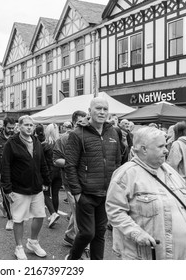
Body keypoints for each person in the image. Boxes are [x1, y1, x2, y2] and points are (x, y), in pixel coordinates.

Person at [106, 126, 186, 259]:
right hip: (150, 255)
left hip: (185, 255)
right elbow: (115, 211)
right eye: (161, 146)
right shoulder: (126, 174)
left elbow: (185, 196)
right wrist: (137, 233)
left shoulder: (169, 170)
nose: (166, 150)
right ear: (144, 149)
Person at [64, 97, 121, 260]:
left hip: (105, 193)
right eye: (98, 108)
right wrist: (77, 193)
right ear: (90, 111)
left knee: (100, 233)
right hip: (86, 194)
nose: (102, 112)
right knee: (88, 233)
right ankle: (73, 258)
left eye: (105, 109)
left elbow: (117, 161)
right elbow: (70, 165)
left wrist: (114, 188)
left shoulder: (113, 132)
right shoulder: (77, 134)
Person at [0, 115, 50, 260]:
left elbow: (42, 163)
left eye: (31, 125)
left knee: (40, 215)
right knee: (18, 219)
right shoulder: (12, 143)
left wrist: (46, 180)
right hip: (19, 188)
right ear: (19, 127)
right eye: (26, 125)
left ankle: (33, 242)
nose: (29, 127)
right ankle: (19, 247)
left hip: (36, 187)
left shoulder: (36, 141)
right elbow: (6, 166)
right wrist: (7, 189)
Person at [53, 110, 87, 247]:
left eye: (86, 121)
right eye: (80, 122)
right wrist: (74, 163)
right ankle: (82, 247)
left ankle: (70, 235)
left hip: (87, 181)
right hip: (71, 182)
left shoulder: (90, 137)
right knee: (81, 213)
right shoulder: (63, 139)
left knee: (80, 211)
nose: (83, 124)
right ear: (73, 123)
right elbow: (56, 160)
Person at [36, 123, 62, 228]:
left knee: (45, 194)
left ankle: (53, 213)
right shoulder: (60, 143)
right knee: (55, 194)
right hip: (59, 172)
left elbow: (39, 160)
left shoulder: (44, 145)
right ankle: (54, 214)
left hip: (48, 173)